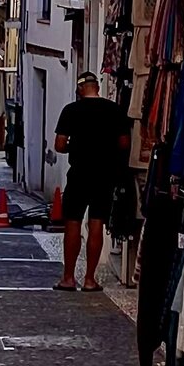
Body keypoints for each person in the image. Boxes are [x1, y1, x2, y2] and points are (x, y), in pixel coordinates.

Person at [49, 73, 130, 292]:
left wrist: (74, 148)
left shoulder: (71, 110)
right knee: (97, 223)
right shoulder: (114, 110)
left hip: (79, 174)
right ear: (97, 87)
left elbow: (59, 144)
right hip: (105, 175)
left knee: (72, 222)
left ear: (81, 88)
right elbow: (124, 143)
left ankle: (68, 278)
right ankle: (89, 279)